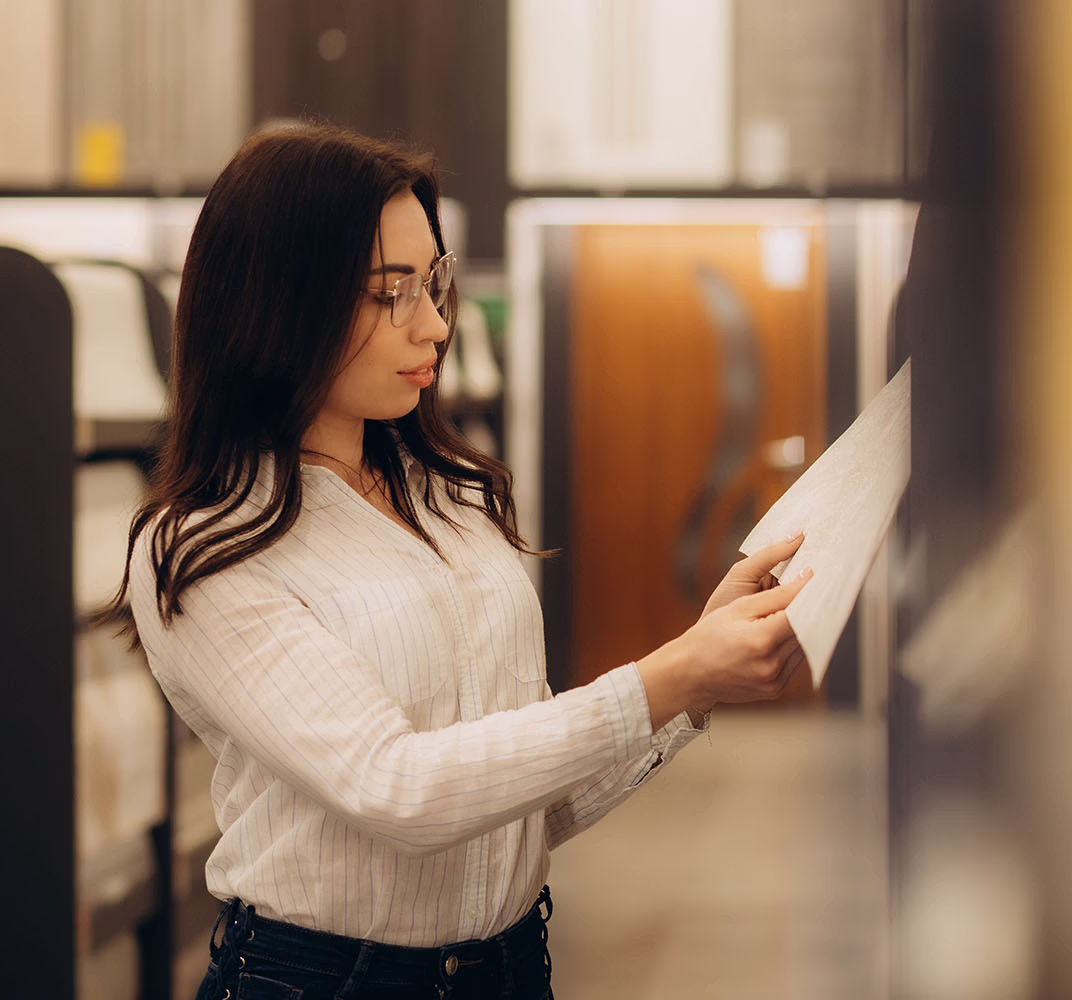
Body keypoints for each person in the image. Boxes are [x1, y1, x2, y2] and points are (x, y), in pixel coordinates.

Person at [101, 122, 811, 1000]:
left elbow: (519, 799)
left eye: (431, 285)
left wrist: (694, 677)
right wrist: (666, 678)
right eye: (388, 292)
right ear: (279, 301)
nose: (433, 324)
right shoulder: (207, 545)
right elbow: (400, 789)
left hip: (509, 968)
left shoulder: (447, 496)